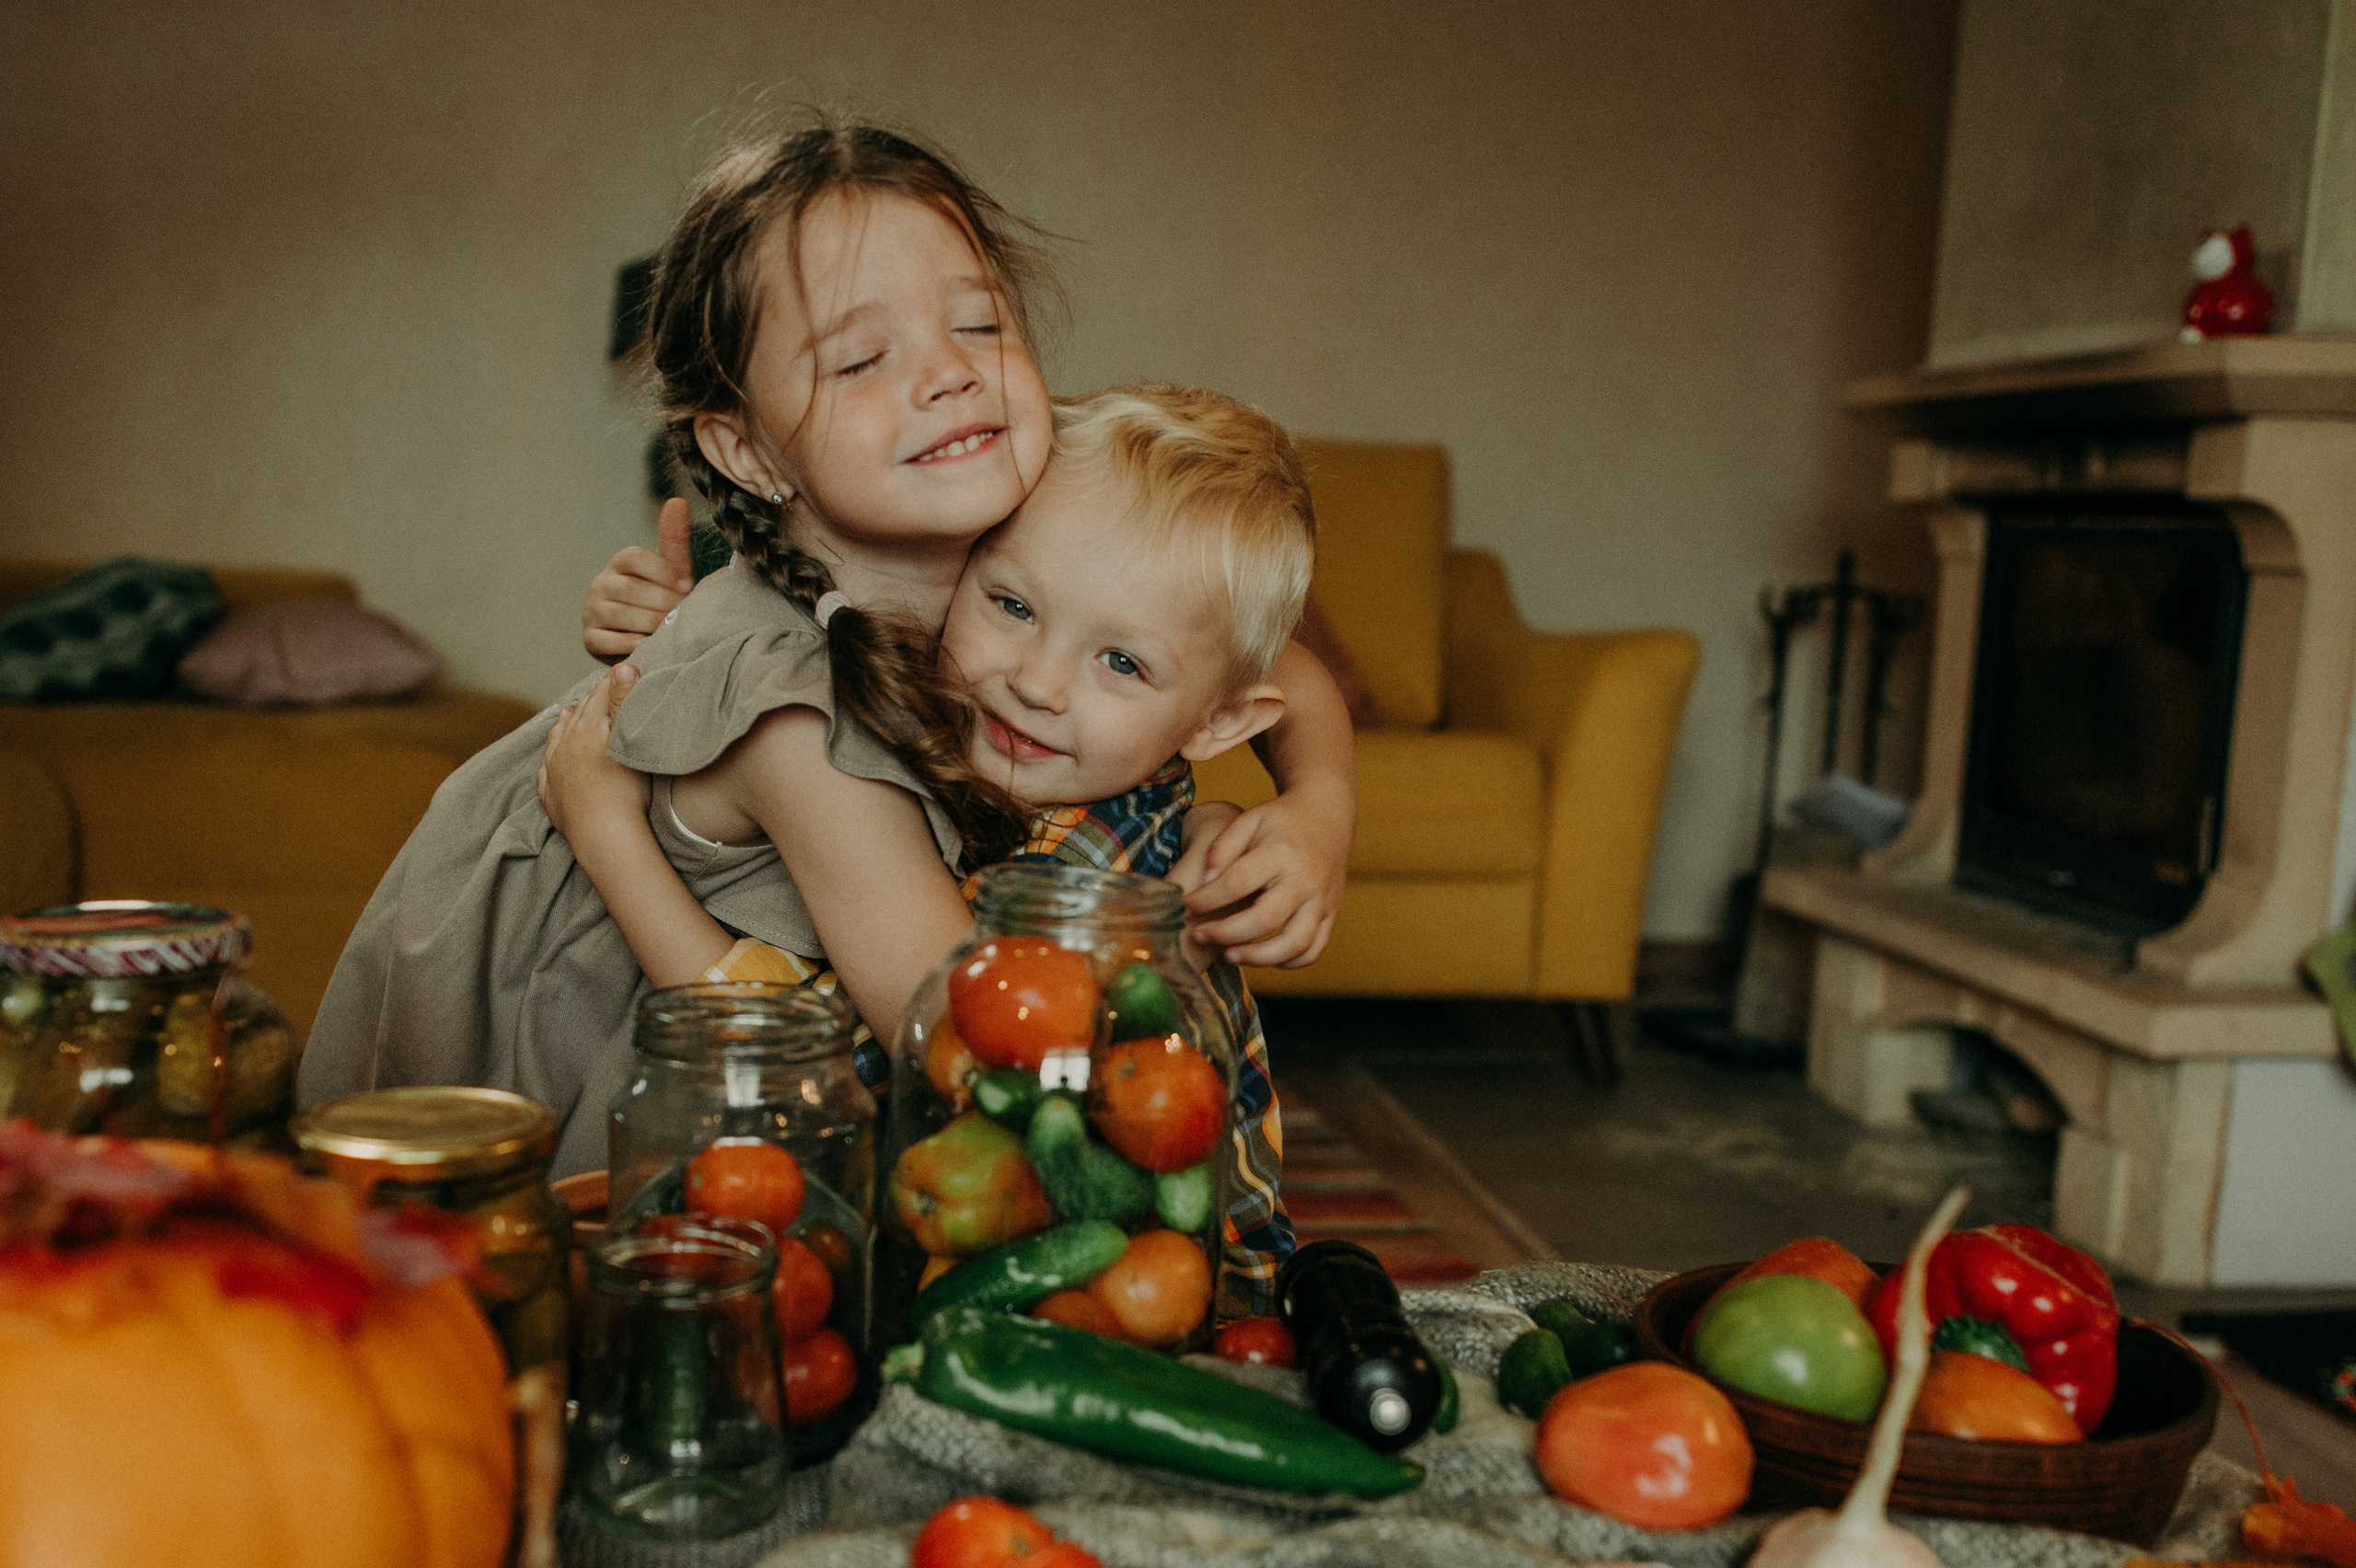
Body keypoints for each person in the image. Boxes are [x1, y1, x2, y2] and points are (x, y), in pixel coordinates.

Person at [297, 120, 1356, 1205]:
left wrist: (1316, 810)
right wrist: (1175, 903)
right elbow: (966, 1048)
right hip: (623, 1086)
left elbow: (1255, 664)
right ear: (747, 450)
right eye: (860, 359)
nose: (948, 375)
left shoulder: (1006, 530)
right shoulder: (803, 725)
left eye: (978, 324)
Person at [550, 383, 1316, 1312]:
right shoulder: (998, 742)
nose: (1037, 683)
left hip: (1134, 1293)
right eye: (1012, 605)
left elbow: (810, 1074)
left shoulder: (1081, 869)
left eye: (1121, 662)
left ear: (1219, 722)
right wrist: (689, 631)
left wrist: (609, 837)